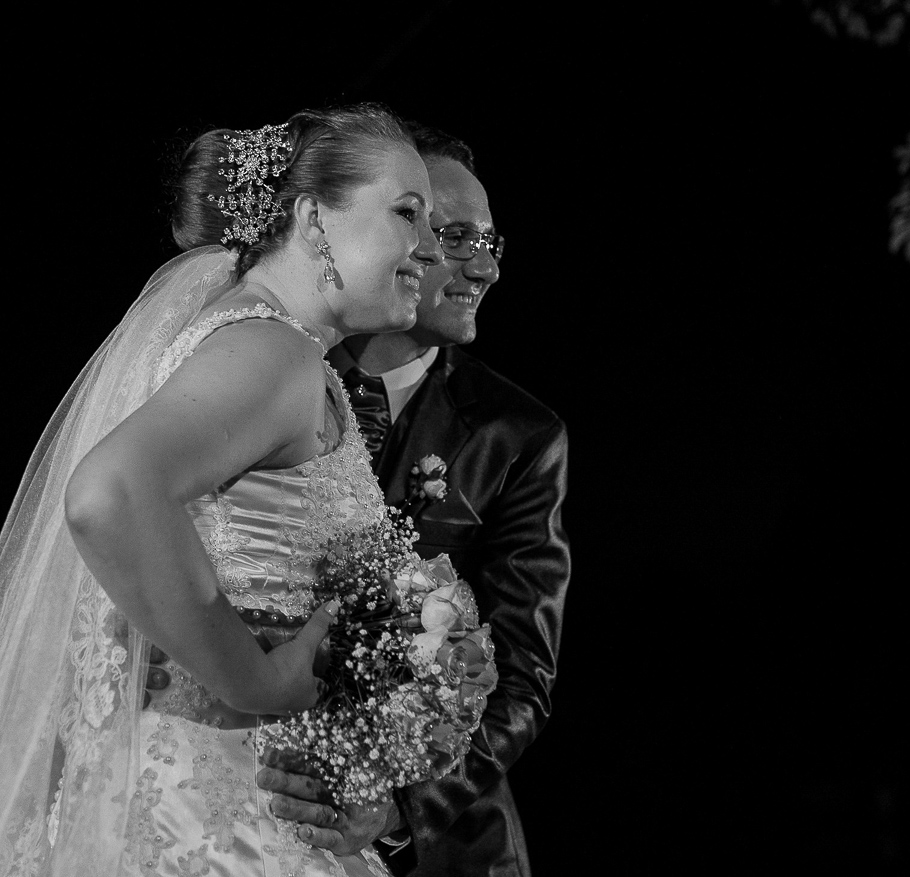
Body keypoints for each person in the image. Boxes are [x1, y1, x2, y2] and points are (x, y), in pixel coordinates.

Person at [0, 103, 445, 877]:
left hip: (229, 792)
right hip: (212, 812)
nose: (431, 248)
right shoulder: (273, 352)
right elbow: (108, 492)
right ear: (312, 218)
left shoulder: (262, 343)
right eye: (408, 213)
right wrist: (255, 677)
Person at [257, 124, 570, 876]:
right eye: (453, 236)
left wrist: (397, 804)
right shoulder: (266, 375)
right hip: (254, 792)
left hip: (442, 849)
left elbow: (522, 674)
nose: (485, 267)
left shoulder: (517, 434)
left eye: (489, 242)